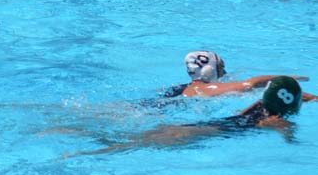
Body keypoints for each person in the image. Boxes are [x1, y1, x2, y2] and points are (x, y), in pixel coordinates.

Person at [67, 77, 317, 156]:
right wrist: (295, 140)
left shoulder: (257, 107)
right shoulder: (273, 120)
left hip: (198, 126)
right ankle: (77, 154)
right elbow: (287, 134)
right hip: (197, 133)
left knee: (121, 139)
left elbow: (275, 95)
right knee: (126, 146)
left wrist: (309, 97)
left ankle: (68, 131)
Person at [164, 51, 316, 99]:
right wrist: (288, 79)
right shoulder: (211, 88)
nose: (225, 73)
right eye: (221, 67)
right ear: (208, 70)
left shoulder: (179, 90)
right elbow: (251, 84)